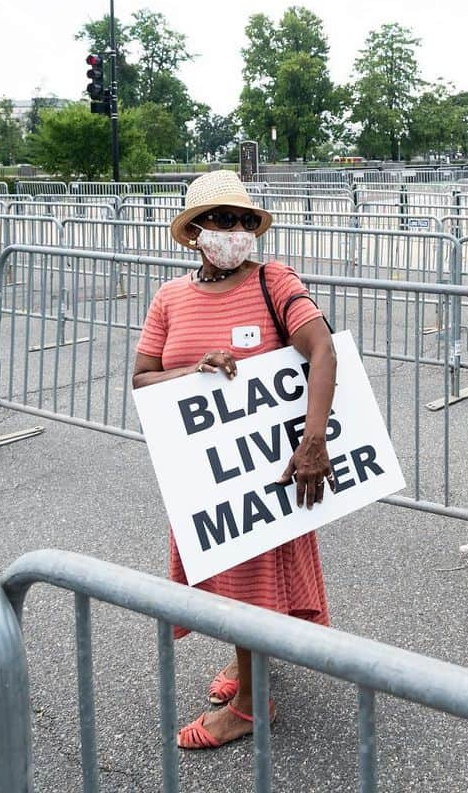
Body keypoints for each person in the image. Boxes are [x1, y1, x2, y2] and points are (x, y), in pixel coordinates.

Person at [132, 171, 337, 749]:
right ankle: (248, 666)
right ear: (194, 232)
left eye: (246, 220)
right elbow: (143, 378)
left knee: (251, 577)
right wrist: (189, 372)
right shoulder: (170, 297)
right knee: (226, 574)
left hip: (269, 471)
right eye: (223, 220)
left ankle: (250, 705)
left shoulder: (275, 280)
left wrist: (313, 441)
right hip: (203, 475)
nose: (237, 231)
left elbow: (320, 348)